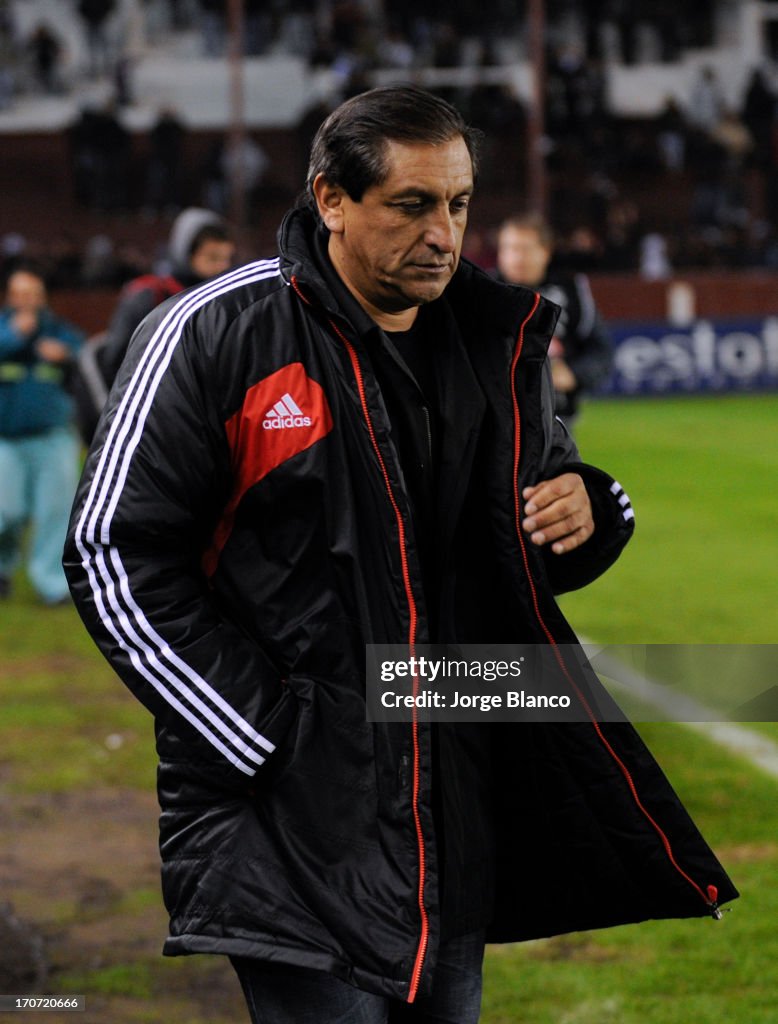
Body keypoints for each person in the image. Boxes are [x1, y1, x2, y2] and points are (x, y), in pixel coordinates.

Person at [63, 86, 736, 1022]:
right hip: (296, 817)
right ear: (330, 199)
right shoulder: (218, 331)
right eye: (413, 204)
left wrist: (593, 507)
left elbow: (526, 538)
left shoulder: (490, 338)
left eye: (459, 204)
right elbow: (112, 553)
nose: (445, 233)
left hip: (449, 799)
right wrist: (266, 734)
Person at [72, 208, 235, 444]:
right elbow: (116, 364)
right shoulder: (150, 295)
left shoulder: (226, 299)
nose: (221, 267)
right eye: (211, 258)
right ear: (184, 253)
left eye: (226, 258)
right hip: (152, 425)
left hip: (206, 425)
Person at [0, 268, 83, 604]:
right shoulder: (4, 332)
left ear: (43, 296)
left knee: (55, 512)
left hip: (55, 438)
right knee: (6, 511)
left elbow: (88, 363)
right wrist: (15, 338)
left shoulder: (61, 333)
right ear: (9, 297)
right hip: (6, 440)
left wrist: (66, 357)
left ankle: (52, 586)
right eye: (20, 293)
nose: (28, 300)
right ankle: (1, 569)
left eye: (33, 293)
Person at [495, 212, 613, 432]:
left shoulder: (571, 292)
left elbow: (601, 352)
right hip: (496, 419)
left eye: (525, 249)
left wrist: (575, 374)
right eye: (509, 248)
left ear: (546, 252)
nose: (516, 257)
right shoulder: (483, 293)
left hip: (557, 421)